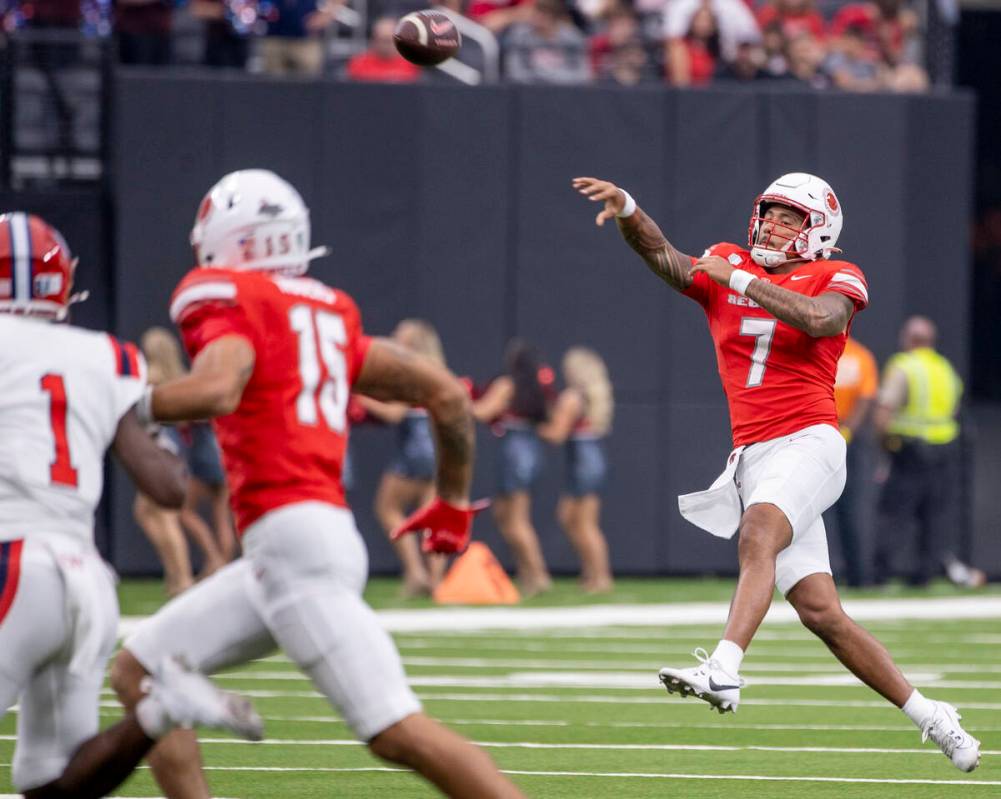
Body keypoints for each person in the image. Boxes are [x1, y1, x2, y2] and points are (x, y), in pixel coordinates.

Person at [109, 170, 525, 799]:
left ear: (228, 239)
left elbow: (219, 386)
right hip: (293, 546)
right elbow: (443, 391)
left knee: (395, 731)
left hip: (294, 543)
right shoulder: (327, 313)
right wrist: (452, 499)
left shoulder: (228, 297)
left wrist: (115, 403)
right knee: (142, 670)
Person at [572, 172, 981, 771]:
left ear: (818, 232)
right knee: (823, 614)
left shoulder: (835, 276)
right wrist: (631, 209)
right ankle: (931, 714)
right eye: (769, 213)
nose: (773, 224)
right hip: (752, 456)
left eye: (790, 218)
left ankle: (724, 669)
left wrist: (740, 279)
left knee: (758, 532)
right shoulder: (727, 261)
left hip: (811, 441)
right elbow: (666, 257)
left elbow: (820, 319)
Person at [0, 212, 262, 799]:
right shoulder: (103, 355)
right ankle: (160, 710)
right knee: (51, 783)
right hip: (87, 585)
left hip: (13, 564)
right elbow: (169, 488)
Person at [872, 315, 985, 587]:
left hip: (910, 450)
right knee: (934, 516)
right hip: (944, 450)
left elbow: (884, 413)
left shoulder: (904, 367)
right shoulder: (944, 368)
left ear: (908, 339)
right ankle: (925, 575)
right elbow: (955, 408)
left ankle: (880, 574)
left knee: (895, 514)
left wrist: (884, 447)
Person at [357, 319, 448, 597]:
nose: (393, 337)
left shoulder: (411, 370)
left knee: (387, 508)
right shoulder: (439, 371)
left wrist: (356, 393)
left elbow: (394, 413)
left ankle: (415, 572)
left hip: (414, 447)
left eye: (400, 335)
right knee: (430, 516)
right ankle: (437, 581)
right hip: (438, 450)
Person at [473, 339, 553, 596]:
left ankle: (538, 576)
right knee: (505, 516)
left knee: (516, 520)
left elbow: (483, 412)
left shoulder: (507, 384)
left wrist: (458, 396)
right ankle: (528, 575)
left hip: (514, 450)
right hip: (530, 449)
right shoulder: (536, 388)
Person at [538, 346, 614, 593]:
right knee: (573, 519)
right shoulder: (591, 398)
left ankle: (600, 576)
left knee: (583, 523)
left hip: (582, 461)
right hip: (591, 459)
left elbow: (556, 434)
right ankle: (592, 573)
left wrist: (531, 426)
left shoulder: (572, 397)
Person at [825, 335, 879, 587]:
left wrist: (844, 432)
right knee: (847, 510)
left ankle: (849, 574)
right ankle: (853, 575)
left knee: (841, 511)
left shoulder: (853, 355)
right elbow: (866, 399)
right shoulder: (860, 355)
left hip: (831, 436)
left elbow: (866, 399)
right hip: (836, 435)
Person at [346, 16, 423, 83]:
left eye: (389, 41)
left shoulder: (411, 65)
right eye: (382, 40)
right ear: (374, 40)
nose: (386, 45)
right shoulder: (358, 63)